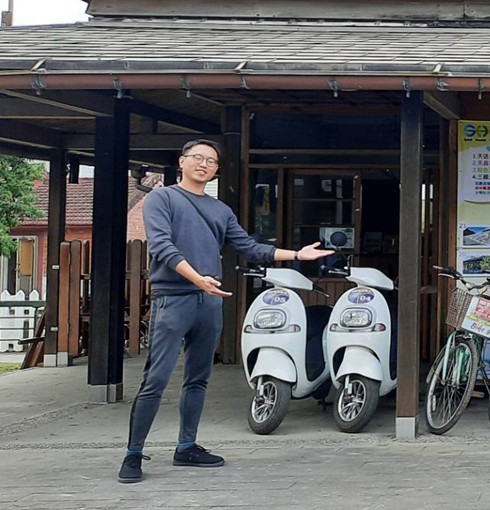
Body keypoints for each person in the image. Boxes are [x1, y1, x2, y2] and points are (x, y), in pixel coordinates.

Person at [119, 139, 333, 484]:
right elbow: (161, 246)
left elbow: (249, 247)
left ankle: (186, 447)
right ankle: (132, 455)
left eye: (211, 161)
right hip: (173, 298)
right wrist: (197, 279)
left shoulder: (220, 210)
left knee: (198, 377)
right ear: (182, 162)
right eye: (198, 158)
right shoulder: (162, 198)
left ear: (216, 169)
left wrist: (297, 255)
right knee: (155, 380)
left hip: (210, 300)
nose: (204, 164)